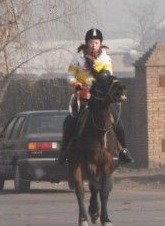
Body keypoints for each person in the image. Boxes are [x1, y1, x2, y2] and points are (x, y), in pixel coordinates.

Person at [56, 28, 133, 164]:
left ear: (100, 44)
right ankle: (64, 152)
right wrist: (75, 83)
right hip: (83, 97)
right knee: (70, 122)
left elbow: (108, 76)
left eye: (96, 42)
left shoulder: (105, 58)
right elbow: (69, 74)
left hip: (101, 99)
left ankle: (123, 150)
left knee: (118, 122)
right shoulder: (78, 58)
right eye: (91, 42)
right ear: (87, 43)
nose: (94, 45)